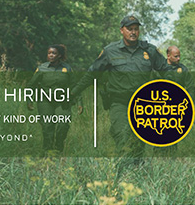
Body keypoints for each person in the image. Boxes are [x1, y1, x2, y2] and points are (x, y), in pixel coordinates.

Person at [71, 15, 170, 157]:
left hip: (143, 104)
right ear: (122, 30)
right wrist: (74, 93)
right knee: (123, 137)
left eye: (136, 29)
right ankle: (120, 173)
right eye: (129, 29)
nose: (133, 32)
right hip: (119, 102)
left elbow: (167, 71)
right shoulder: (110, 51)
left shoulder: (149, 50)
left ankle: (136, 173)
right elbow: (91, 74)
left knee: (138, 142)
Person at [27, 44, 76, 154]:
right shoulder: (42, 68)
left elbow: (74, 86)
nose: (51, 55)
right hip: (45, 101)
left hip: (62, 100)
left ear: (59, 55)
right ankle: (47, 150)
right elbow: (31, 85)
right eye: (49, 53)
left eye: (53, 53)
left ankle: (58, 147)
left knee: (63, 123)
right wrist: (29, 100)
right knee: (47, 125)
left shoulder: (67, 68)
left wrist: (80, 102)